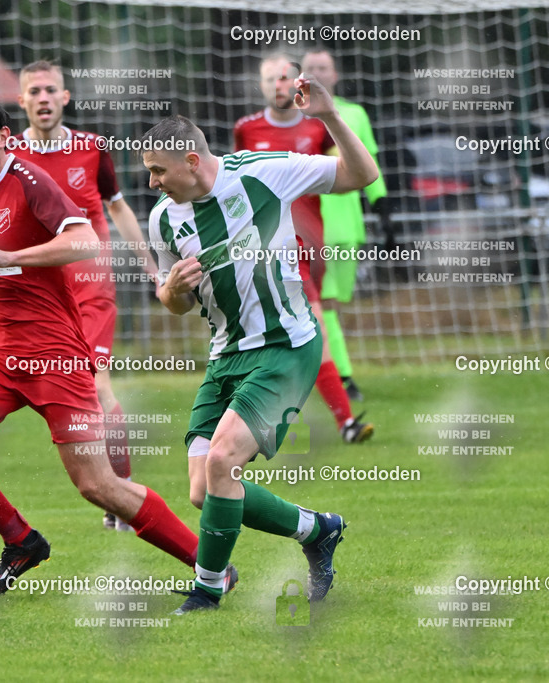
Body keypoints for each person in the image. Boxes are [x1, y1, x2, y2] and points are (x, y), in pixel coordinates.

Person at [0, 90, 236, 597]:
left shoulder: (30, 181)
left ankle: (209, 564)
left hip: (55, 355)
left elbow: (84, 240)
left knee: (97, 487)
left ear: (2, 136)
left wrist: (7, 255)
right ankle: (20, 542)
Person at [141, 79, 378, 614]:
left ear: (191, 160)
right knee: (205, 491)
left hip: (287, 345)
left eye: (159, 171)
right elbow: (170, 299)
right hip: (227, 353)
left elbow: (362, 175)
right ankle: (318, 530)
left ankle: (207, 592)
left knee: (224, 460)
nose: (152, 183)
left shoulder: (263, 173)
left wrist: (330, 117)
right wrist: (172, 291)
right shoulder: (164, 219)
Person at [10, 60, 159, 532]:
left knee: (97, 385)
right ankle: (110, 488)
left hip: (92, 289)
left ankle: (125, 490)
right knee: (67, 395)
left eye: (51, 89)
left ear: (66, 97)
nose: (43, 98)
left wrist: (151, 264)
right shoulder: (9, 154)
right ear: (22, 101)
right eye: (34, 91)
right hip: (43, 298)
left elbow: (118, 207)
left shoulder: (92, 149)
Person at [233, 52, 372, 444]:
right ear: (260, 86)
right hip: (256, 249)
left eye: (284, 78)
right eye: (269, 79)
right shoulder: (245, 130)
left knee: (313, 326)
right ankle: (330, 421)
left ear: (298, 83)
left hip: (304, 247)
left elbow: (351, 171)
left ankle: (342, 419)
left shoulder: (319, 130)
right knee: (266, 334)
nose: (276, 85)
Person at [301, 47, 392, 401]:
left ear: (335, 75)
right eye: (310, 68)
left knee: (330, 305)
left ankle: (329, 376)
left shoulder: (354, 114)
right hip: (308, 226)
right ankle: (342, 378)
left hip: (346, 225)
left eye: (323, 67)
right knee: (320, 305)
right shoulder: (296, 119)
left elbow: (372, 164)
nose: (318, 73)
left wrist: (382, 206)